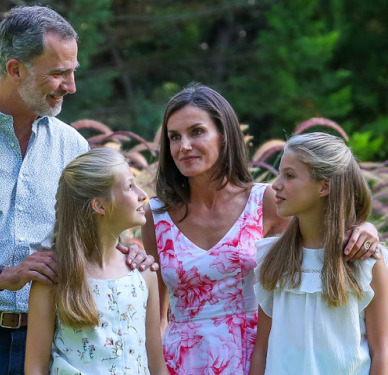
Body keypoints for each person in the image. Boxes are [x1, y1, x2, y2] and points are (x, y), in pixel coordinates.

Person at [0, 6, 154, 374]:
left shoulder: (73, 147)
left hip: (53, 342)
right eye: (58, 73)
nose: (71, 86)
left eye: (72, 72)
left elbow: (89, 234)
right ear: (15, 69)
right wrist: (0, 276)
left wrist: (128, 255)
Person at [141, 83, 380, 374]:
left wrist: (364, 227)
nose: (184, 146)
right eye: (174, 137)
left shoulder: (265, 201)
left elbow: (313, 243)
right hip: (183, 361)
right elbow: (155, 313)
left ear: (224, 136)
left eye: (197, 131)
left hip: (258, 357)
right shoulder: (156, 216)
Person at [249, 132, 388, 374]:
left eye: (289, 176)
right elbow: (262, 351)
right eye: (279, 173)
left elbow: (381, 351)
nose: (276, 184)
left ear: (324, 186)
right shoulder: (271, 257)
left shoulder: (366, 261)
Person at [25, 147, 169, 375]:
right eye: (130, 186)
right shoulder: (53, 278)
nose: (143, 194)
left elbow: (157, 366)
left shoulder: (143, 273)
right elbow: (35, 368)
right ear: (99, 205)